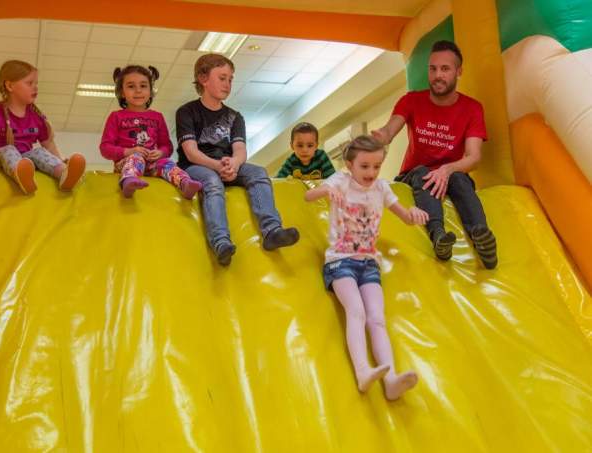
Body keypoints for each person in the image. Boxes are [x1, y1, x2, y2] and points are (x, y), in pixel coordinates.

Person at [305, 135, 427, 399]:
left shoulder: (382, 188)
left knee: (377, 319)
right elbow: (308, 195)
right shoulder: (340, 181)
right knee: (357, 312)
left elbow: (405, 217)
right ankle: (363, 371)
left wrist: (414, 215)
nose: (371, 172)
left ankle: (391, 379)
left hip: (369, 264)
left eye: (376, 166)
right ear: (350, 164)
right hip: (340, 261)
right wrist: (325, 190)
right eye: (364, 166)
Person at [372, 40, 497, 268]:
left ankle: (483, 239)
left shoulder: (472, 108)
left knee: (460, 179)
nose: (437, 75)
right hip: (414, 175)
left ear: (459, 72)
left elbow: (473, 157)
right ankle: (439, 236)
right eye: (433, 69)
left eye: (445, 69)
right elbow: (390, 130)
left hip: (451, 174)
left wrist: (447, 169)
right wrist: (381, 136)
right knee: (422, 173)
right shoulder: (411, 100)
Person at [175, 53, 299, 266]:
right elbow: (191, 151)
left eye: (231, 79)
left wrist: (234, 163)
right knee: (213, 183)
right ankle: (220, 241)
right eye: (222, 78)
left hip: (227, 165)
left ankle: (272, 231)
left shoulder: (235, 117)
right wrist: (218, 166)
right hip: (197, 166)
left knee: (258, 173)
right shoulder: (187, 112)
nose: (228, 84)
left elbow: (240, 149)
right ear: (203, 79)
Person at [0, 60, 85, 194]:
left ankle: (64, 175)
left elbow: (49, 145)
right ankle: (21, 176)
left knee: (39, 152)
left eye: (36, 84)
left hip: (23, 161)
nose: (35, 87)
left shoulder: (36, 116)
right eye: (29, 83)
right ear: (10, 85)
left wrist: (61, 160)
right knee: (9, 150)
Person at [100, 65, 202, 199]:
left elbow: (167, 146)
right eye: (131, 86)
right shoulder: (116, 116)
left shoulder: (157, 117)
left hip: (152, 164)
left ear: (150, 91)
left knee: (167, 162)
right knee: (136, 158)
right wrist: (129, 151)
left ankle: (185, 183)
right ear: (122, 92)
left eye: (143, 86)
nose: (138, 90)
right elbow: (105, 148)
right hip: (126, 163)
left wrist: (160, 152)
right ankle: (128, 181)